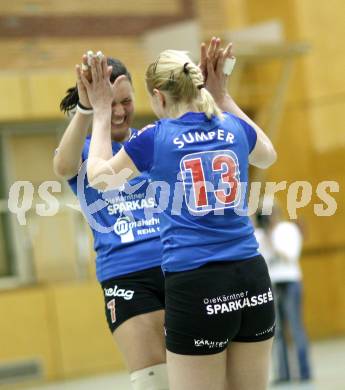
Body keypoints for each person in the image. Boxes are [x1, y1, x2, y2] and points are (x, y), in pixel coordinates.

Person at [83, 43, 277, 390]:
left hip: (197, 283)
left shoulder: (157, 137)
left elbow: (100, 179)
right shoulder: (232, 127)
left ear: (158, 97)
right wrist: (224, 97)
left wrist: (99, 112)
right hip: (252, 280)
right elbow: (267, 155)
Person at [54, 55, 168, 390]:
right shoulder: (83, 148)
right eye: (110, 103)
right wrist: (89, 109)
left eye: (126, 101)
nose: (118, 111)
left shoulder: (150, 139)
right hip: (126, 276)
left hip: (180, 266)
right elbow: (62, 167)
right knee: (155, 382)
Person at [255, 209, 312, 382]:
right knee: (276, 332)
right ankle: (283, 374)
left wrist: (272, 241)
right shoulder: (258, 235)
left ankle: (304, 372)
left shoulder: (288, 229)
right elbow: (259, 261)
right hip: (271, 284)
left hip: (290, 282)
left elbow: (291, 255)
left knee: (296, 329)